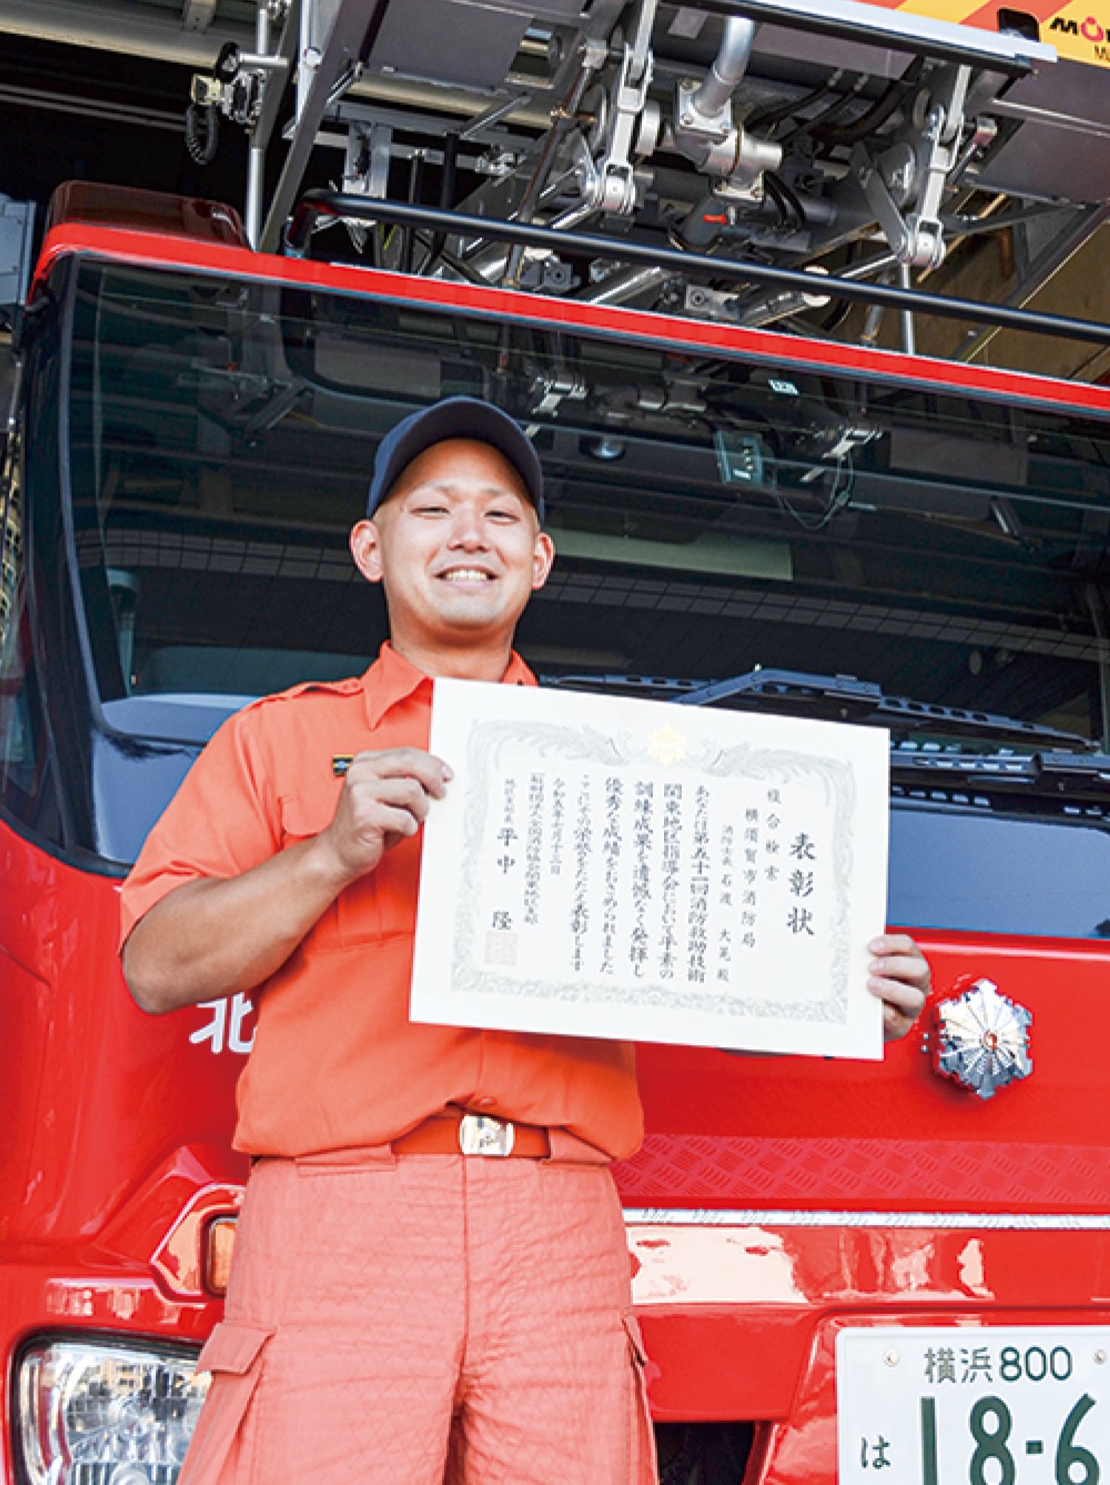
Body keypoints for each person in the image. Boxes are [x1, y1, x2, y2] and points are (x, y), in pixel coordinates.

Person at [120, 395, 932, 1485]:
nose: (470, 534)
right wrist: (328, 852)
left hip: (560, 1232)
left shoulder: (628, 770)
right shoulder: (278, 738)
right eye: (434, 509)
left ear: (540, 559)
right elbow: (156, 964)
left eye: (501, 516)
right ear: (371, 546)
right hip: (340, 1221)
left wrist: (837, 988)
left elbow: (707, 986)